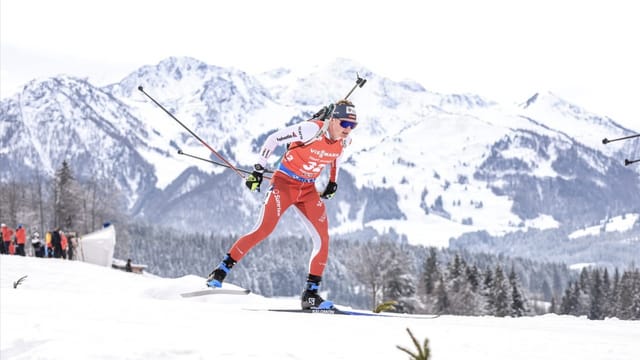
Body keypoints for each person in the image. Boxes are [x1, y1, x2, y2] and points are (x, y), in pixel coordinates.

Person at [206, 100, 358, 310]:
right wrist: (259, 169)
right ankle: (221, 270)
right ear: (332, 120)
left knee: (322, 239)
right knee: (263, 229)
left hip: (307, 189)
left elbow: (336, 158)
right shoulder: (310, 130)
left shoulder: (343, 141)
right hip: (284, 184)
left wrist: (333, 181)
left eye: (353, 126)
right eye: (344, 124)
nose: (348, 130)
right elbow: (273, 139)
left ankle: (311, 295)